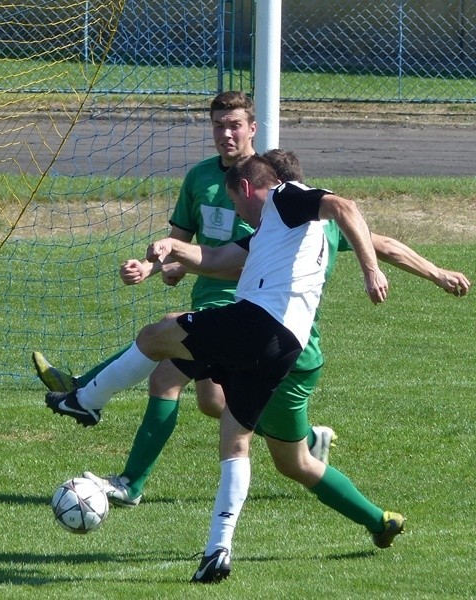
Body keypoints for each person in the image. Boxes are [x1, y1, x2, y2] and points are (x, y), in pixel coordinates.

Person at [44, 154, 401, 582]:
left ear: (247, 189)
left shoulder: (286, 197)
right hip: (281, 347)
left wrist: (370, 270)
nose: (236, 212)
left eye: (235, 202)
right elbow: (214, 260)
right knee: (236, 442)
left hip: (259, 325)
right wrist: (170, 248)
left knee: (159, 333)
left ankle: (86, 400)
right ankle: (218, 551)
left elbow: (345, 207)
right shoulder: (273, 231)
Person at [35, 92, 338, 506]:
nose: (226, 134)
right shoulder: (199, 178)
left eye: (234, 125)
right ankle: (302, 442)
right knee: (214, 403)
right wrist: (151, 267)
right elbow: (182, 245)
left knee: (164, 373)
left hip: (245, 309)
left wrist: (422, 269)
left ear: (253, 128)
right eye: (218, 125)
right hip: (211, 298)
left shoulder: (275, 186)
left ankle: (112, 448)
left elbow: (340, 233)